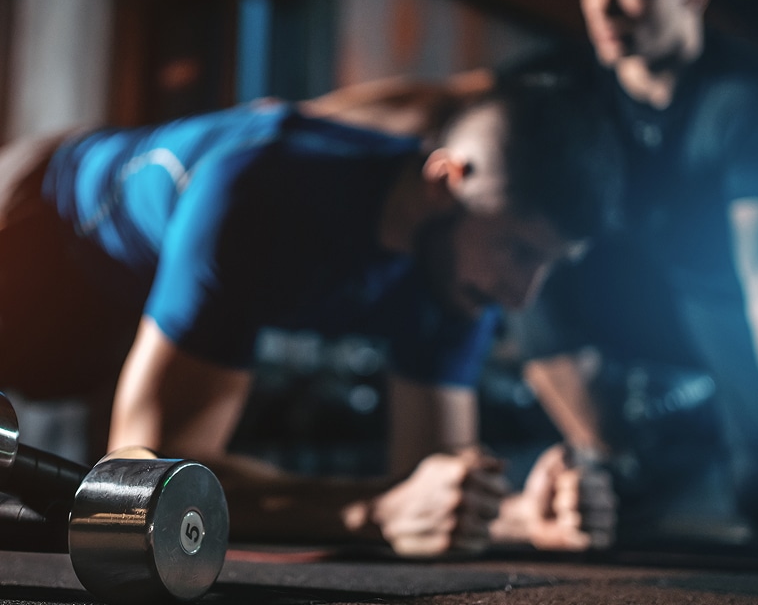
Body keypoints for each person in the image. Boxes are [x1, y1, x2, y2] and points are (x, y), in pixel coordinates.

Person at [0, 73, 620, 554]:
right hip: (38, 224)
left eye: (547, 265)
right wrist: (369, 513)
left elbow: (429, 483)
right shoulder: (259, 192)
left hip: (138, 294)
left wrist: (514, 515)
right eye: (519, 252)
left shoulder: (463, 273)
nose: (522, 295)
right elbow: (135, 482)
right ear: (444, 181)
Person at [521, 0, 758, 544]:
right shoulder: (568, 81)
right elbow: (448, 101)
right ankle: (617, 471)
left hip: (724, 302)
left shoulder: (751, 97)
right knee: (536, 274)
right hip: (621, 291)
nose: (601, 7)